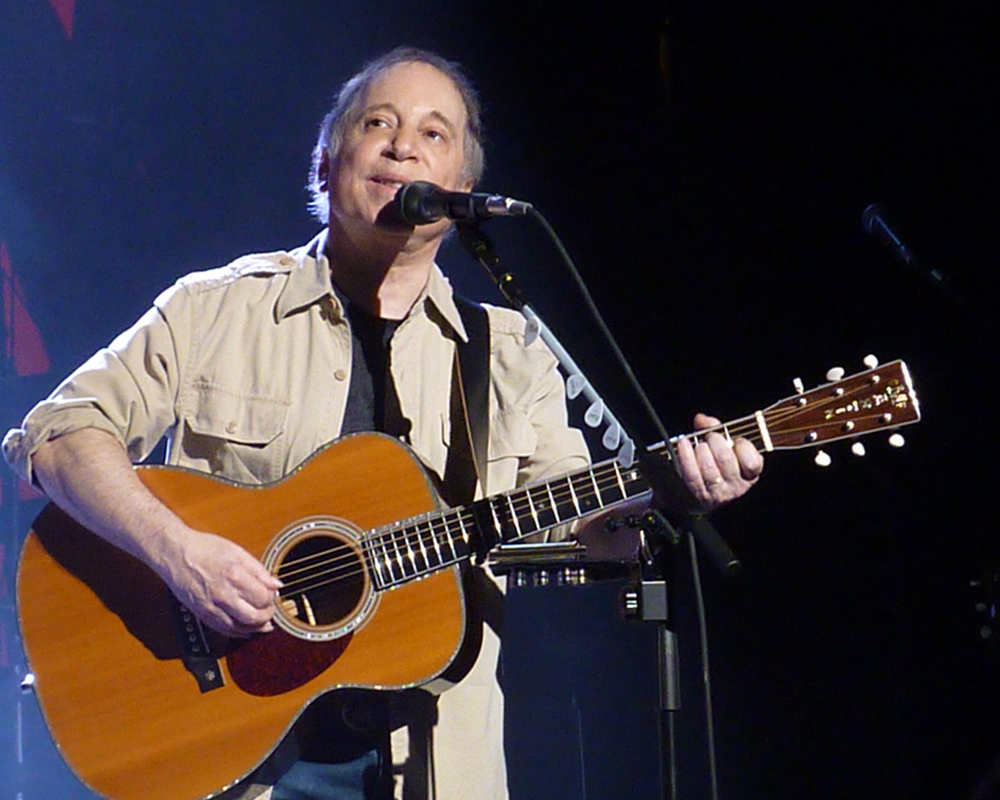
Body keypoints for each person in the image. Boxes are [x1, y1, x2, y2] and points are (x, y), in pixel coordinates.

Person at [2, 47, 762, 800]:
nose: (404, 144)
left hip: (431, 767)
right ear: (326, 162)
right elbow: (58, 433)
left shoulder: (506, 352)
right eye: (380, 123)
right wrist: (180, 553)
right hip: (228, 756)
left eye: (436, 134)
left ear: (461, 188)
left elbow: (578, 529)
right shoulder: (216, 309)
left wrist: (664, 490)